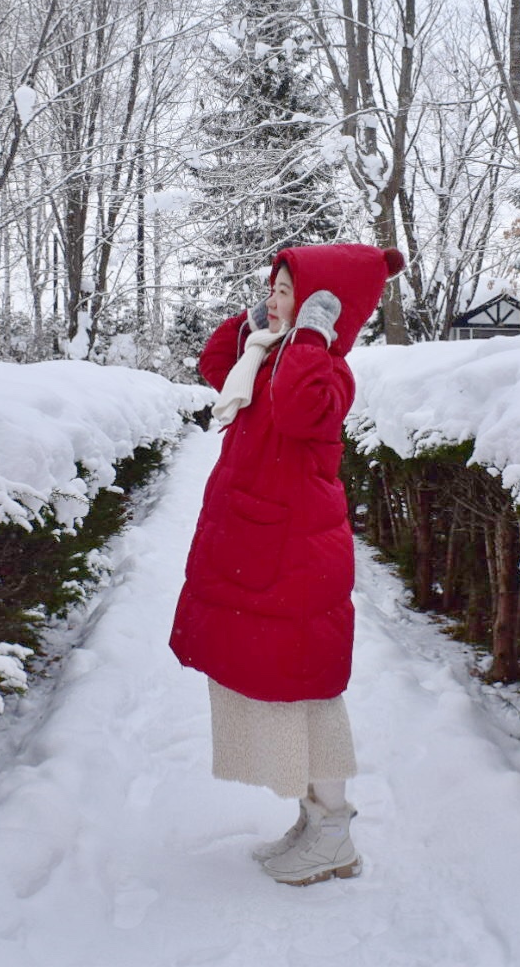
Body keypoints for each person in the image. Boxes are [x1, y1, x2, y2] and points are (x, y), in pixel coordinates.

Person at [169, 242, 405, 886]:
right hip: (262, 550)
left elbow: (304, 411)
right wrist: (252, 327)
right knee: (280, 687)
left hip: (294, 557)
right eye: (271, 288)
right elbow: (216, 366)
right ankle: (313, 820)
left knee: (306, 694)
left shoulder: (326, 369)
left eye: (287, 292)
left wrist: (309, 338)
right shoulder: (268, 357)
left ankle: (334, 833)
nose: (274, 301)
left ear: (326, 310)